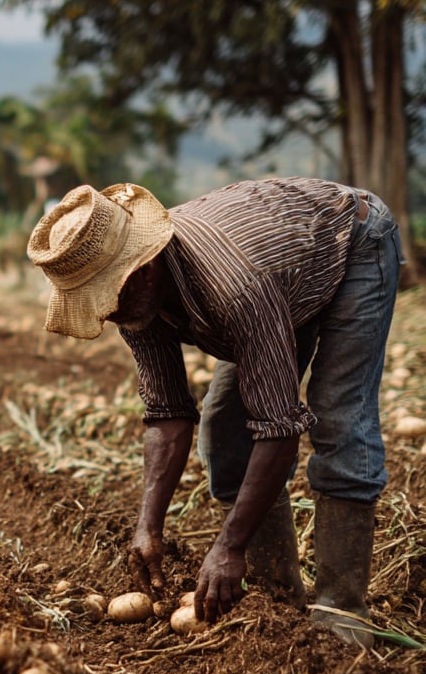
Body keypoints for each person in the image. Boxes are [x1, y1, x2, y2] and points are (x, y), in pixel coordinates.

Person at [28, 177, 403, 648]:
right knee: (223, 430)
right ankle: (278, 600)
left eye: (108, 297)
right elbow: (167, 413)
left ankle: (342, 608)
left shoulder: (234, 288)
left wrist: (228, 547)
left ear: (142, 269)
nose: (107, 313)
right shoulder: (135, 304)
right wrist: (149, 525)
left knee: (339, 418)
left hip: (351, 242)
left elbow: (280, 429)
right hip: (282, 274)